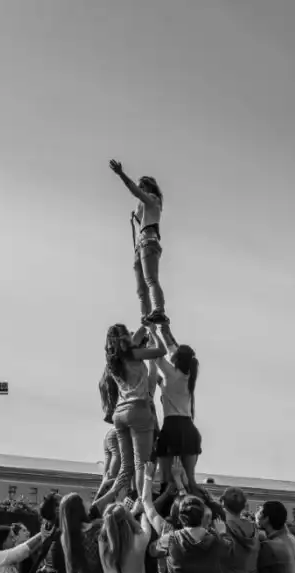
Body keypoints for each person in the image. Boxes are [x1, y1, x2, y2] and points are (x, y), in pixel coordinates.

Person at [104, 324, 166, 502]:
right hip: (137, 409)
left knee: (126, 466)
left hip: (119, 413)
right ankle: (142, 504)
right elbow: (161, 351)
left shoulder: (112, 359)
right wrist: (153, 332)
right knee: (141, 464)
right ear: (125, 338)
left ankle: (103, 501)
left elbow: (135, 339)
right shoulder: (133, 354)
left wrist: (145, 323)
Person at [108, 159, 168, 325]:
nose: (140, 189)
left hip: (149, 242)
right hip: (140, 245)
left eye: (142, 186)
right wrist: (135, 217)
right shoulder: (144, 206)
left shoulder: (152, 199)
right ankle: (146, 321)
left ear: (149, 188)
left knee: (151, 279)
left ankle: (159, 310)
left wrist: (121, 174)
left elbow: (135, 192)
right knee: (141, 290)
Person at [153, 324, 203, 498]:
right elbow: (171, 347)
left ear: (177, 359)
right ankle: (199, 504)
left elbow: (158, 355)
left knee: (166, 481)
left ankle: (166, 507)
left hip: (172, 427)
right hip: (188, 429)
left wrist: (153, 332)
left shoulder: (171, 373)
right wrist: (164, 330)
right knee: (190, 481)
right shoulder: (189, 375)